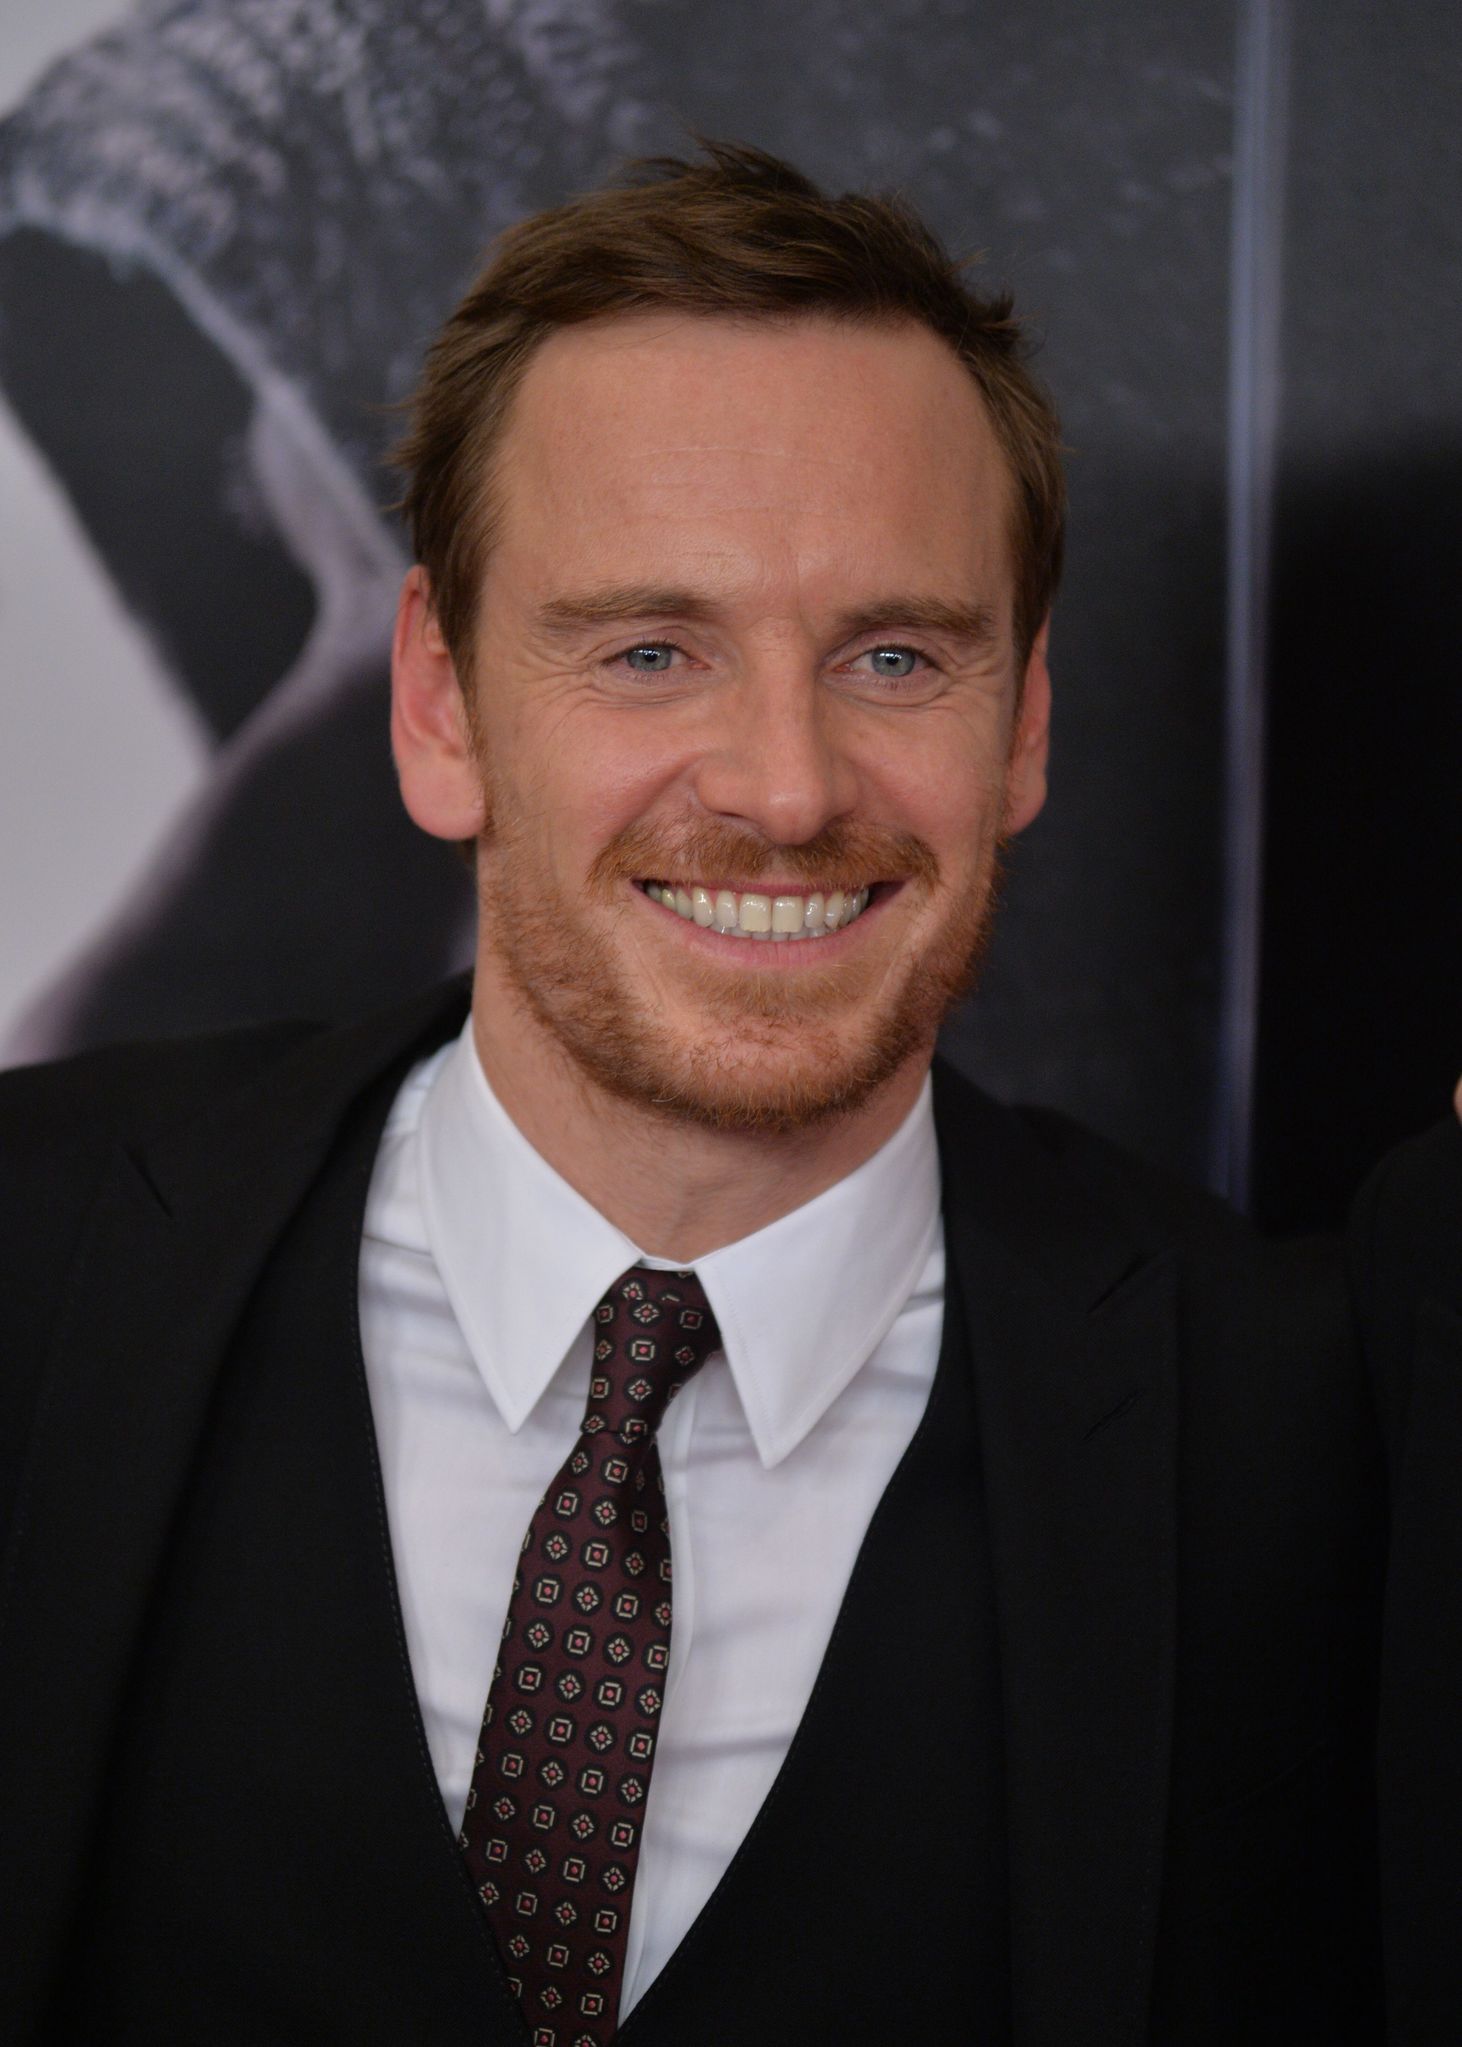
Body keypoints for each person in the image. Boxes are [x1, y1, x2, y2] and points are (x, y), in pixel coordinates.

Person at [0, 144, 1384, 2043]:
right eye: (651, 651)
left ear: (1024, 725)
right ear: (440, 705)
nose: (786, 788)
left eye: (894, 656)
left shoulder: (1303, 1439)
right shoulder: (30, 1254)